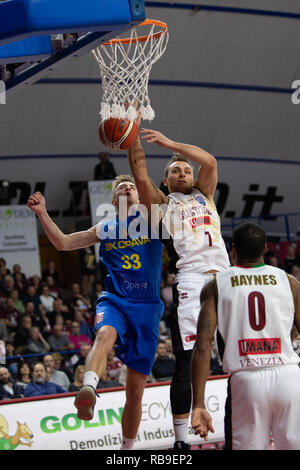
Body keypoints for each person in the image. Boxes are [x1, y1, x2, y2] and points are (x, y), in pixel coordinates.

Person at [27, 177, 164, 451]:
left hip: (147, 308)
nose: (127, 189)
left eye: (132, 187)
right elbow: (64, 243)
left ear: (139, 195)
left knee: (135, 394)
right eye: (121, 189)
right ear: (114, 201)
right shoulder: (105, 227)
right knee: (104, 335)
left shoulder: (154, 221)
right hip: (114, 301)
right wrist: (42, 213)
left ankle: (126, 451)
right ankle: (88, 388)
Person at [127, 126, 229, 449]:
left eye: (186, 169)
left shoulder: (205, 194)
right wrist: (131, 135)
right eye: (176, 171)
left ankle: (233, 428)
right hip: (191, 281)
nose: (184, 173)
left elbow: (210, 161)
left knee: (234, 357)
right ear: (166, 182)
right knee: (185, 363)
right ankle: (181, 441)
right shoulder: (161, 203)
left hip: (226, 278)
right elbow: (140, 175)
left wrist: (171, 144)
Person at [191, 222, 300, 450]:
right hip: (289, 376)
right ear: (266, 249)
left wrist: (198, 404)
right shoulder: (289, 282)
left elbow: (202, 346)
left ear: (233, 250)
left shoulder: (216, 285)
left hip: (247, 380)